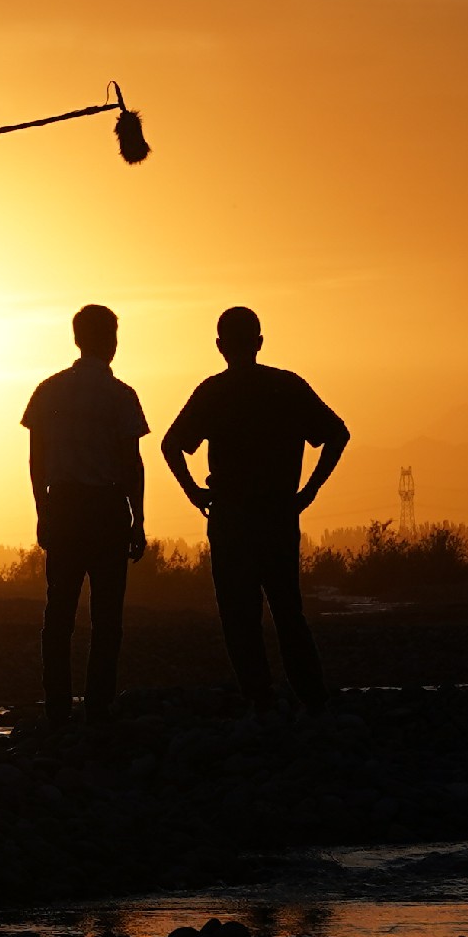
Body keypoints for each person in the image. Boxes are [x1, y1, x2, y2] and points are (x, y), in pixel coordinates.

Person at [163, 306, 349, 715]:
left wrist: (195, 492)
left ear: (219, 346)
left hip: (231, 517)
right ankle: (312, 698)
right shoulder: (286, 387)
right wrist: (309, 492)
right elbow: (338, 434)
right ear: (259, 342)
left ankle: (259, 698)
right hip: (278, 514)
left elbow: (171, 444)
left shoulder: (213, 392)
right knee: (287, 609)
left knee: (238, 613)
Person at [21, 304, 150, 728]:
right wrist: (138, 520)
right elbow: (132, 464)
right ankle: (98, 707)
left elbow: (36, 460)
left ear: (77, 339)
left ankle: (57, 707)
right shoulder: (121, 395)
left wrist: (43, 510)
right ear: (111, 341)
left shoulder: (48, 391)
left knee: (58, 616)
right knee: (106, 619)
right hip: (107, 510)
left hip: (65, 508)